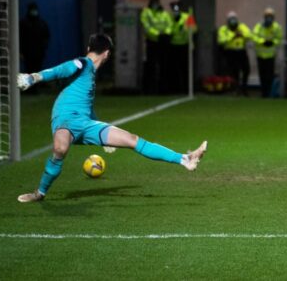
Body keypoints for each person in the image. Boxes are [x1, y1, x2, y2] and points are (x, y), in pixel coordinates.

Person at [15, 33, 207, 203]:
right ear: (107, 53)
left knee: (132, 140)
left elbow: (87, 108)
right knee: (60, 148)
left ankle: (185, 159)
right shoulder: (82, 63)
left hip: (86, 123)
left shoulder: (90, 75)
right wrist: (33, 78)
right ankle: (39, 193)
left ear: (90, 48)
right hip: (65, 119)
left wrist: (102, 133)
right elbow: (59, 70)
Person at [140, 0, 172, 94]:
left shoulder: (164, 13)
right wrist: (157, 34)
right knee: (150, 66)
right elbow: (146, 26)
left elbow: (169, 25)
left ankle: (163, 89)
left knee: (164, 66)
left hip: (163, 42)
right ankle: (149, 89)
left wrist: (166, 33)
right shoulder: (146, 13)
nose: (156, 4)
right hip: (152, 42)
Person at [217, 11, 252, 95]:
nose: (233, 21)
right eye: (231, 19)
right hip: (230, 52)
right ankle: (236, 89)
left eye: (234, 19)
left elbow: (249, 35)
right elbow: (221, 40)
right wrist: (232, 37)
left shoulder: (241, 27)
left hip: (241, 51)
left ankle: (244, 88)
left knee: (246, 70)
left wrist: (242, 34)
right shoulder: (223, 29)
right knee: (234, 72)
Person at [252, 7, 283, 98]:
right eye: (267, 16)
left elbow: (279, 39)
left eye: (270, 16)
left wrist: (272, 42)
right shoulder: (259, 26)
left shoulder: (276, 27)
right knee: (262, 76)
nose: (269, 18)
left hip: (271, 56)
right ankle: (263, 93)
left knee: (270, 76)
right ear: (264, 16)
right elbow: (254, 37)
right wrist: (263, 42)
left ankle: (269, 93)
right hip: (260, 55)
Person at [169, 2, 198, 93]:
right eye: (174, 10)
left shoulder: (187, 17)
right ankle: (176, 89)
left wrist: (186, 28)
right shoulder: (169, 18)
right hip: (173, 46)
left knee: (186, 70)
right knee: (174, 70)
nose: (175, 12)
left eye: (177, 10)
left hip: (185, 46)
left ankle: (187, 89)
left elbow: (194, 29)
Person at [19, 2, 50, 74]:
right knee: (29, 71)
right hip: (27, 54)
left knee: (37, 71)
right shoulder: (23, 23)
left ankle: (37, 84)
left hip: (39, 53)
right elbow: (20, 38)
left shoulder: (41, 23)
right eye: (32, 10)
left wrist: (43, 48)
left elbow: (46, 36)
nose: (34, 12)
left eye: (35, 9)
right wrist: (21, 52)